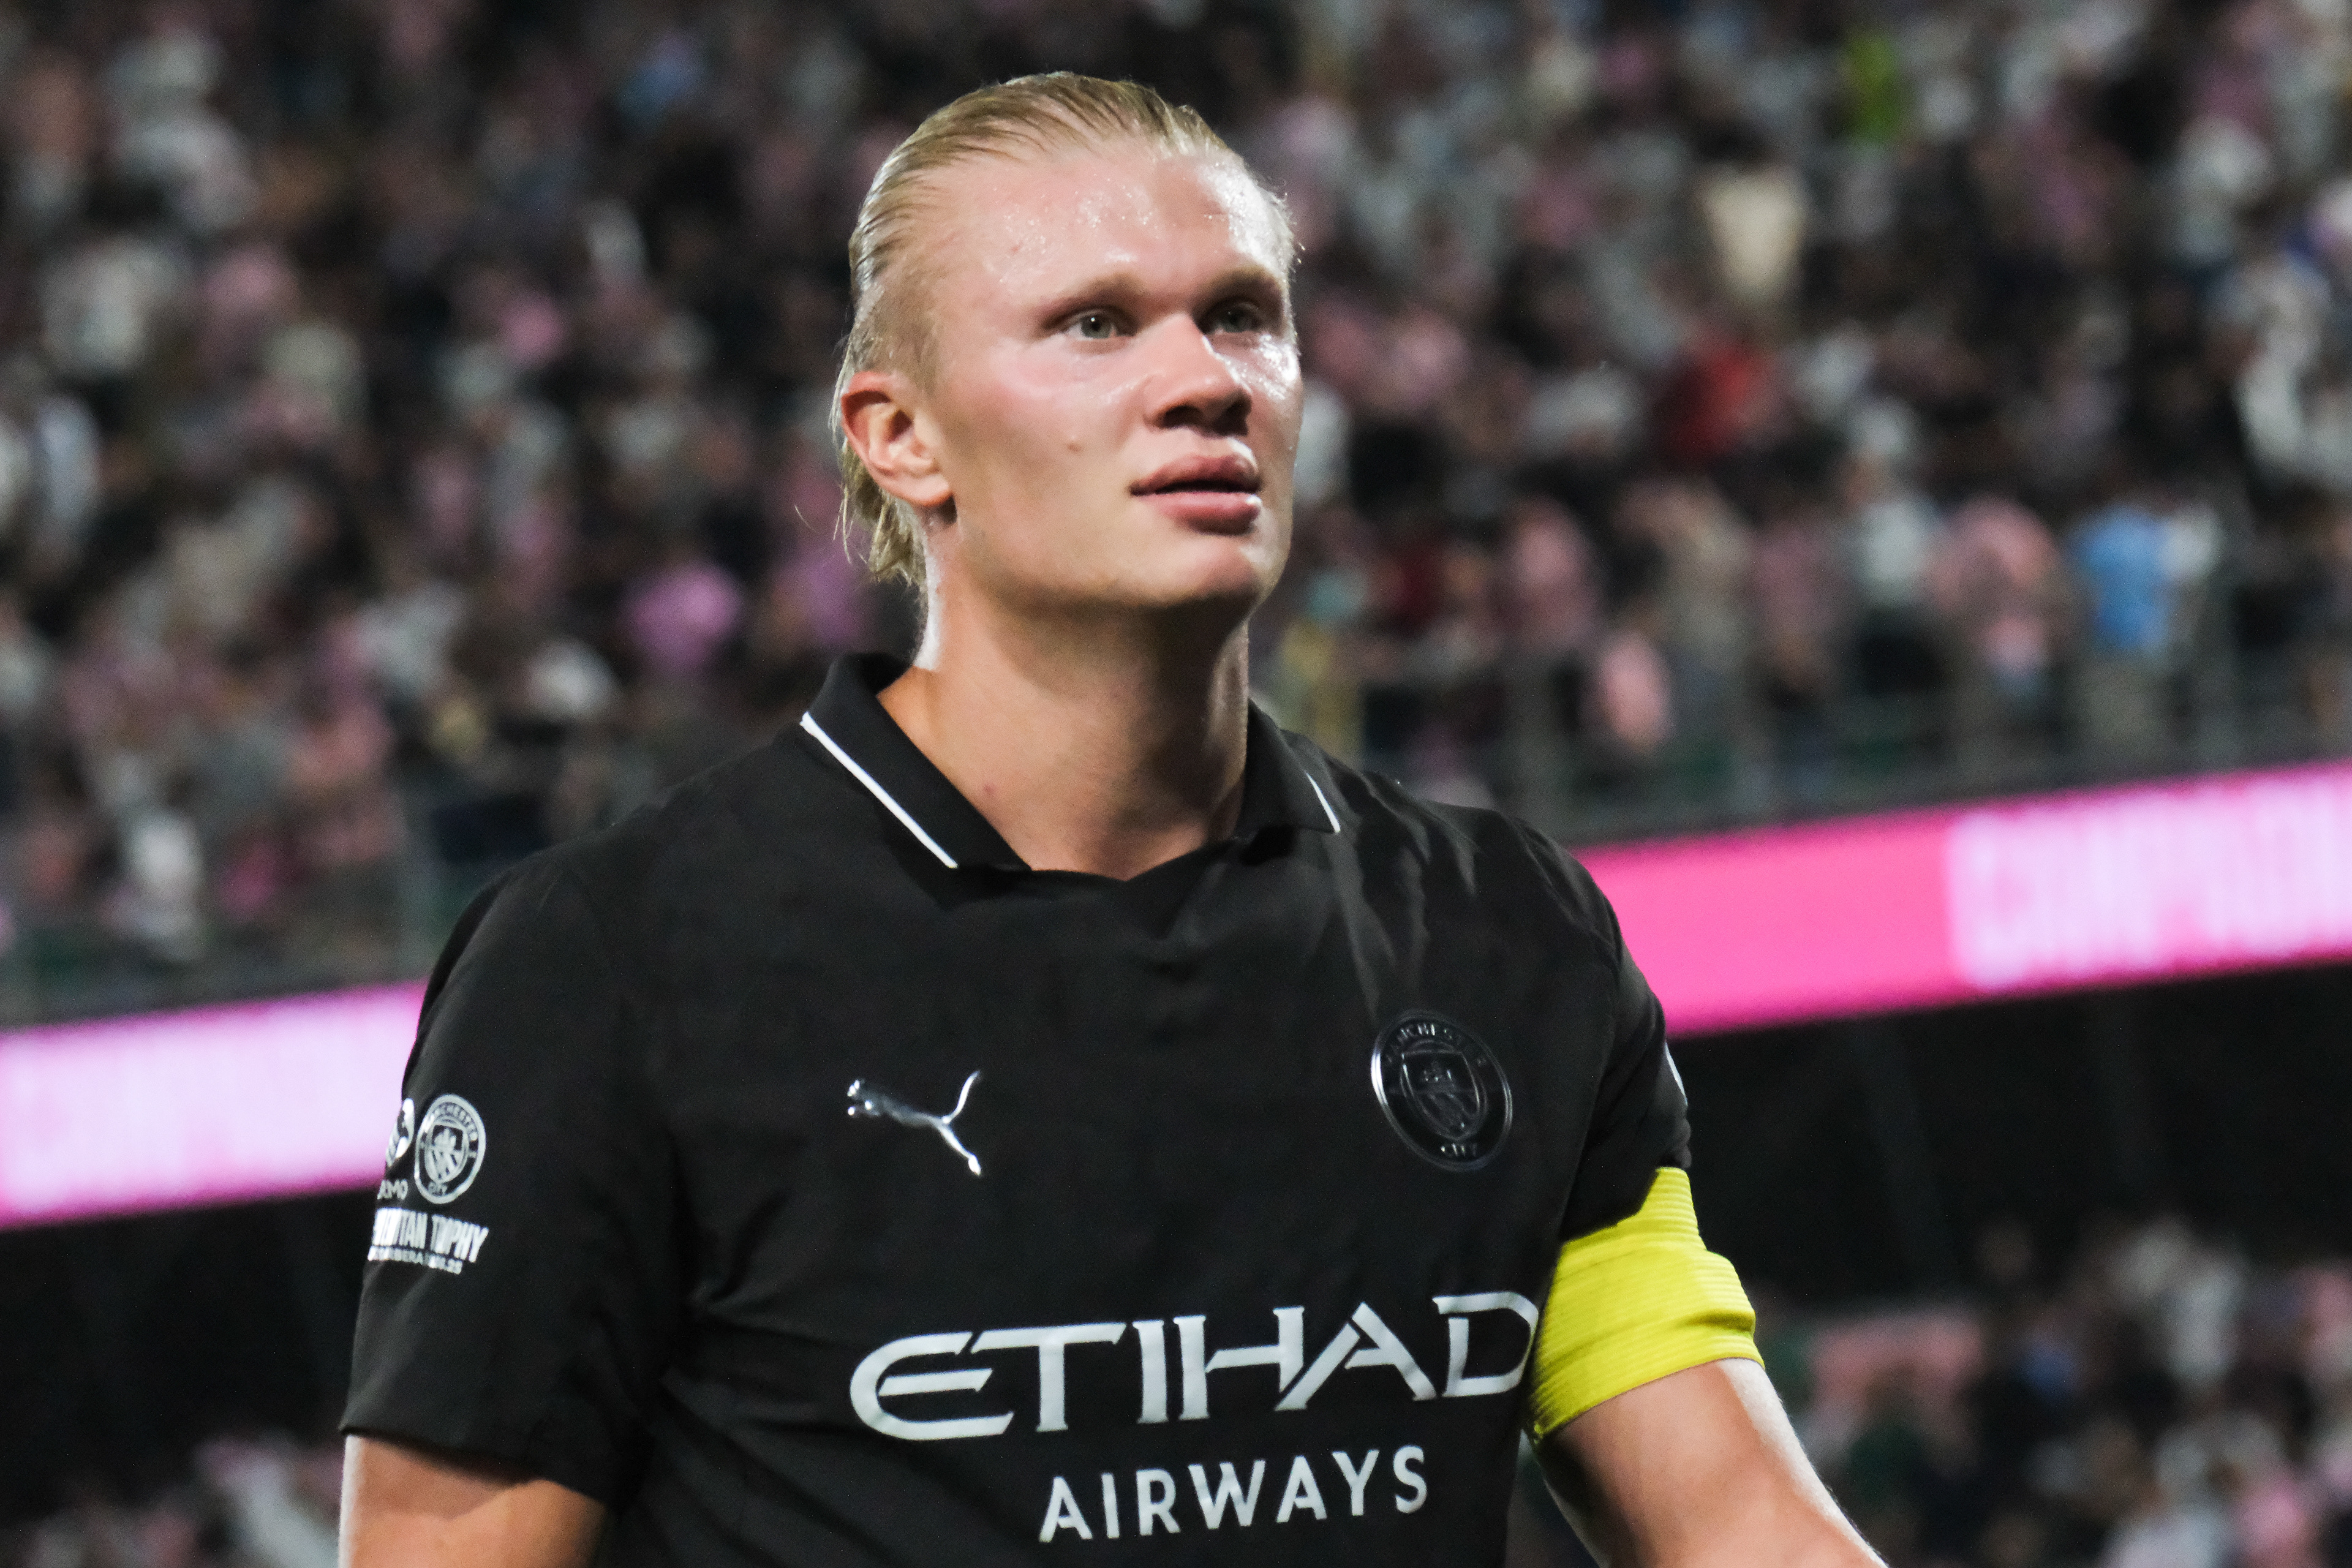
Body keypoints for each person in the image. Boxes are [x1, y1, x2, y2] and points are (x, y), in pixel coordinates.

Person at [338, 75, 1880, 1567]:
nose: (1205, 376)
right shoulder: (613, 963)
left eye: (1243, 314)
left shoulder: (1504, 937)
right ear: (900, 436)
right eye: (1094, 324)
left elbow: (1733, 1524)